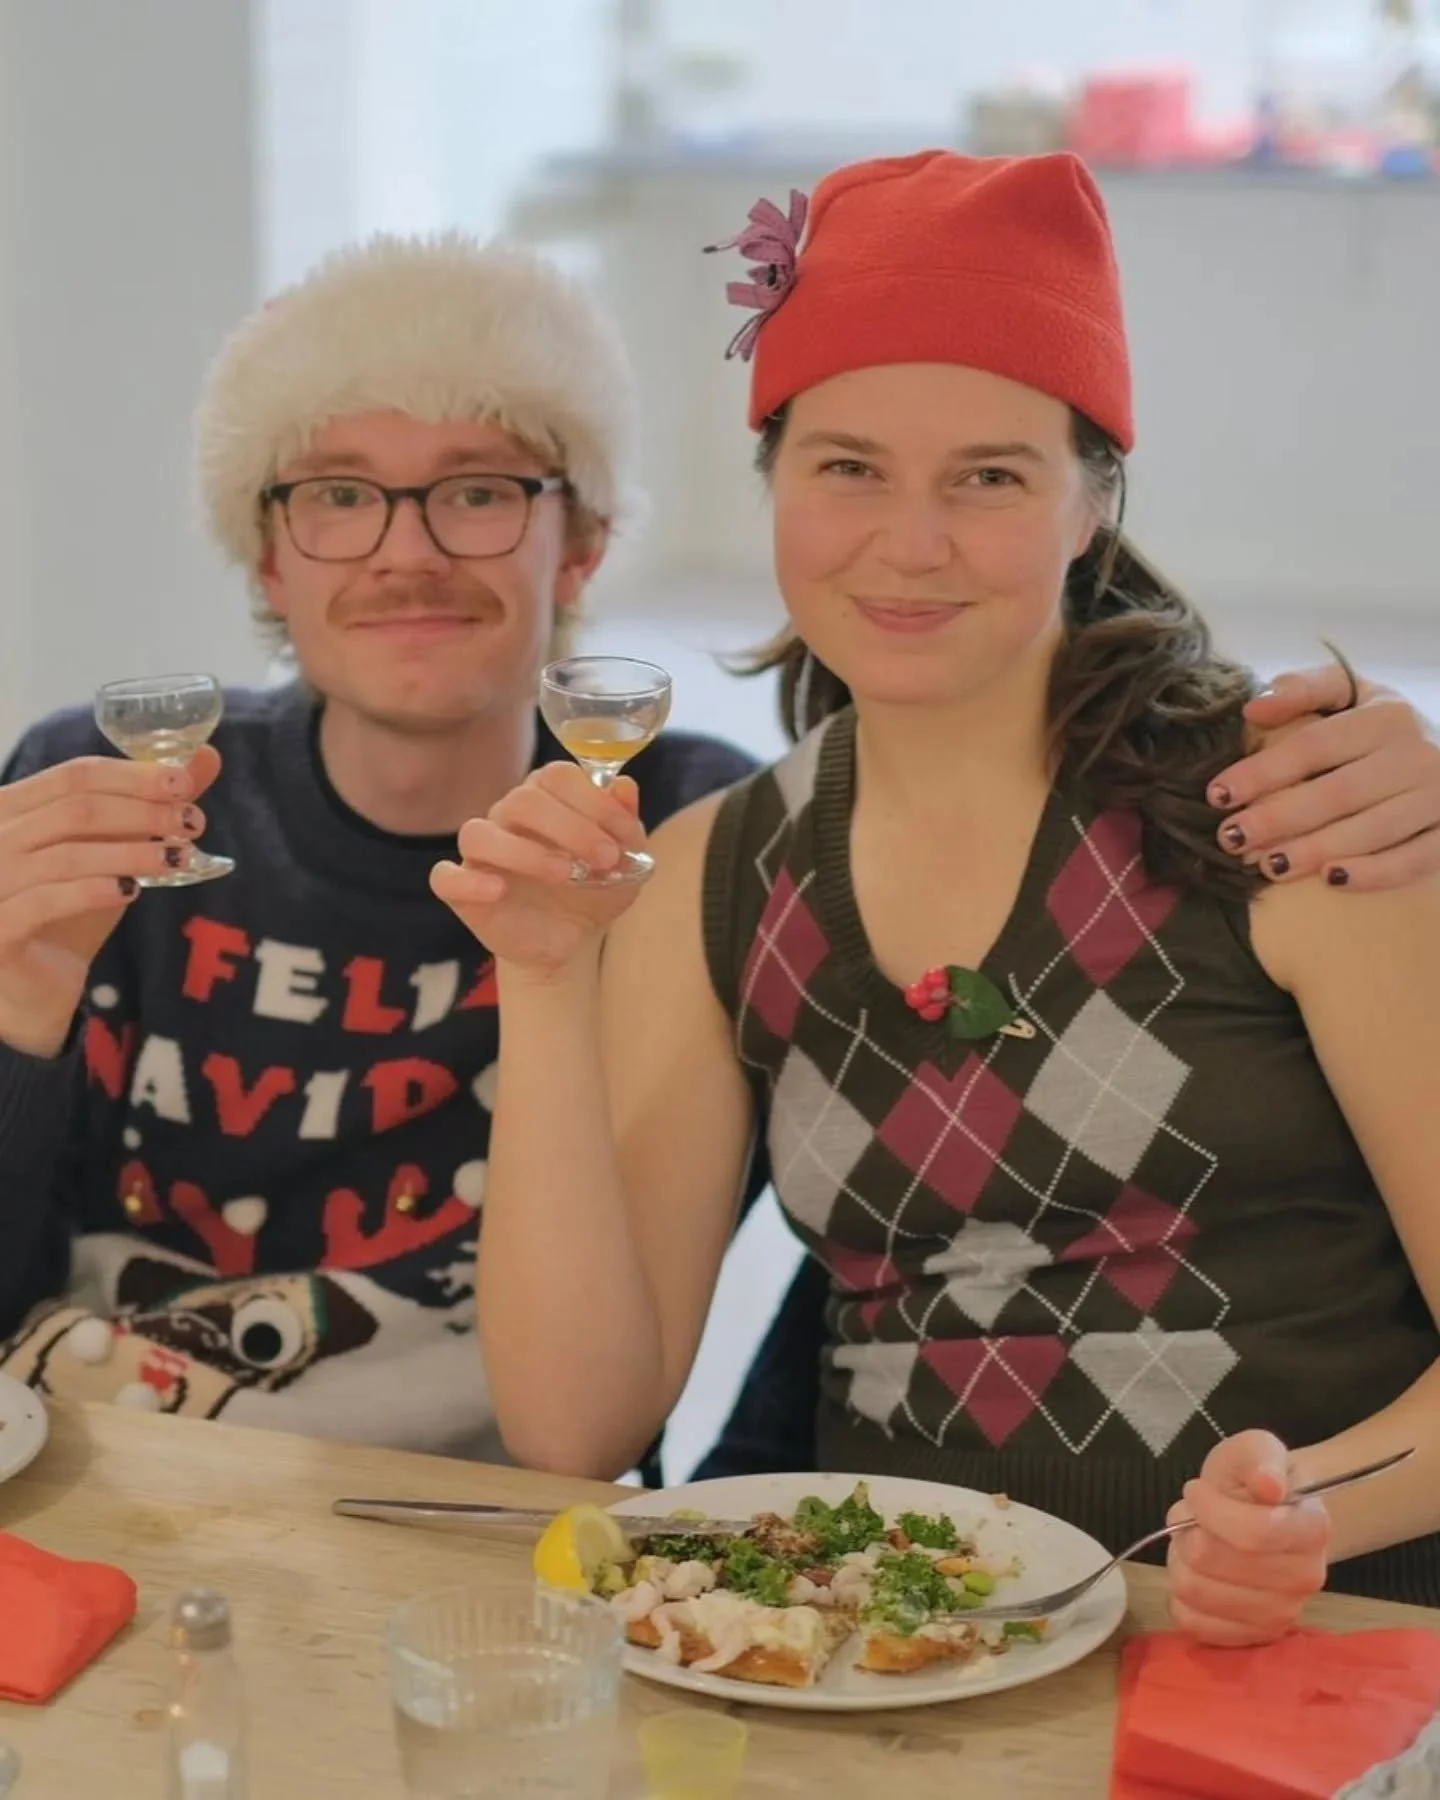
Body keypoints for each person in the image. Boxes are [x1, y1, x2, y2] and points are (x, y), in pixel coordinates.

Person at [433, 149, 1440, 1644]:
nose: (911, 544)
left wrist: (1306, 1512)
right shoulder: (718, 872)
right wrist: (545, 976)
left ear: (1092, 501)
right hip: (904, 1665)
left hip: (1312, 1648)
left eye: (990, 477)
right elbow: (577, 1428)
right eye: (848, 467)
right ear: (770, 480)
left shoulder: (1287, 805)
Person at [0, 233, 756, 1459]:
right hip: (110, 1499)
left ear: (584, 541)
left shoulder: (684, 836)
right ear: (268, 555)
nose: (408, 554)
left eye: (477, 489)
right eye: (339, 495)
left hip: (487, 1559)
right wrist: (12, 1032)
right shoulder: (98, 798)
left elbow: (601, 1423)